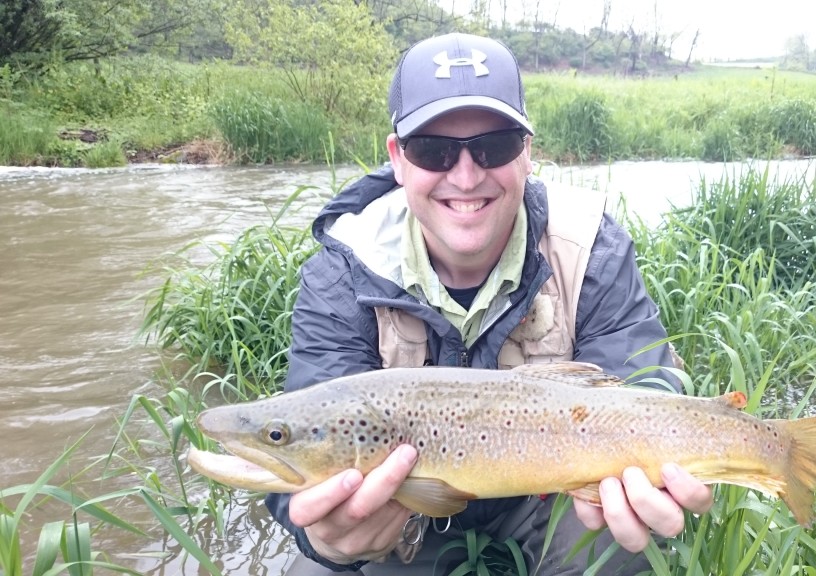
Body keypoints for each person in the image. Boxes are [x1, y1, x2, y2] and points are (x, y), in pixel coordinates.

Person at [267, 32, 713, 575]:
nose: (466, 175)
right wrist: (322, 535)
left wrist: (655, 470)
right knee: (317, 566)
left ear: (527, 152)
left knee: (621, 543)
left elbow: (641, 377)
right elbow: (303, 433)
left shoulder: (590, 245)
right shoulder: (343, 269)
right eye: (433, 149)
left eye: (494, 145)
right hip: (410, 509)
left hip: (550, 498)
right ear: (398, 158)